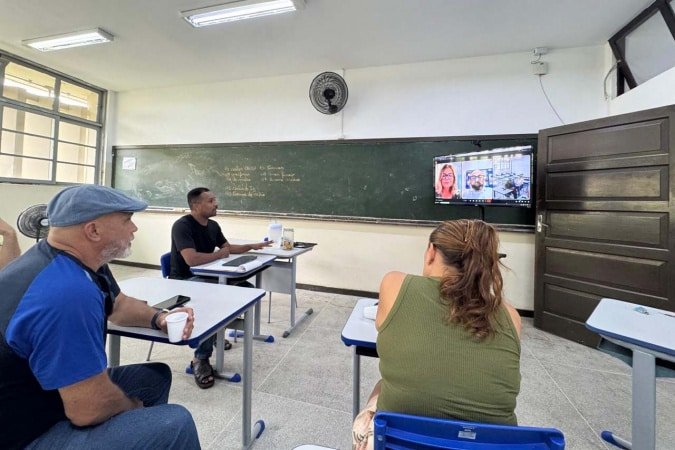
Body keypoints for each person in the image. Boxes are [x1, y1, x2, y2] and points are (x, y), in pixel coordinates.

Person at [0, 185, 200, 450]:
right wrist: (133, 408)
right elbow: (88, 410)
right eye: (127, 219)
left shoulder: (71, 261)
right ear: (93, 230)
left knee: (154, 378)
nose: (134, 228)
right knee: (175, 423)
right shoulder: (68, 292)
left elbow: (119, 306)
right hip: (24, 434)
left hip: (47, 394)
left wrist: (159, 318)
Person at [352, 219, 521, 450]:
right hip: (489, 444)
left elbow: (384, 328)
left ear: (431, 252)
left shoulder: (395, 284)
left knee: (382, 387)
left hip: (398, 441)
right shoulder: (511, 316)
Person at [170, 187, 270, 389]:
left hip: (208, 276)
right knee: (212, 300)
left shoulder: (213, 225)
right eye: (210, 201)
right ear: (196, 205)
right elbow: (191, 260)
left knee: (247, 289)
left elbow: (227, 248)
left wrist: (252, 246)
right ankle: (201, 358)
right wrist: (219, 255)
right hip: (184, 280)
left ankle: (216, 332)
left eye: (214, 200)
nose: (216, 204)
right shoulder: (182, 226)